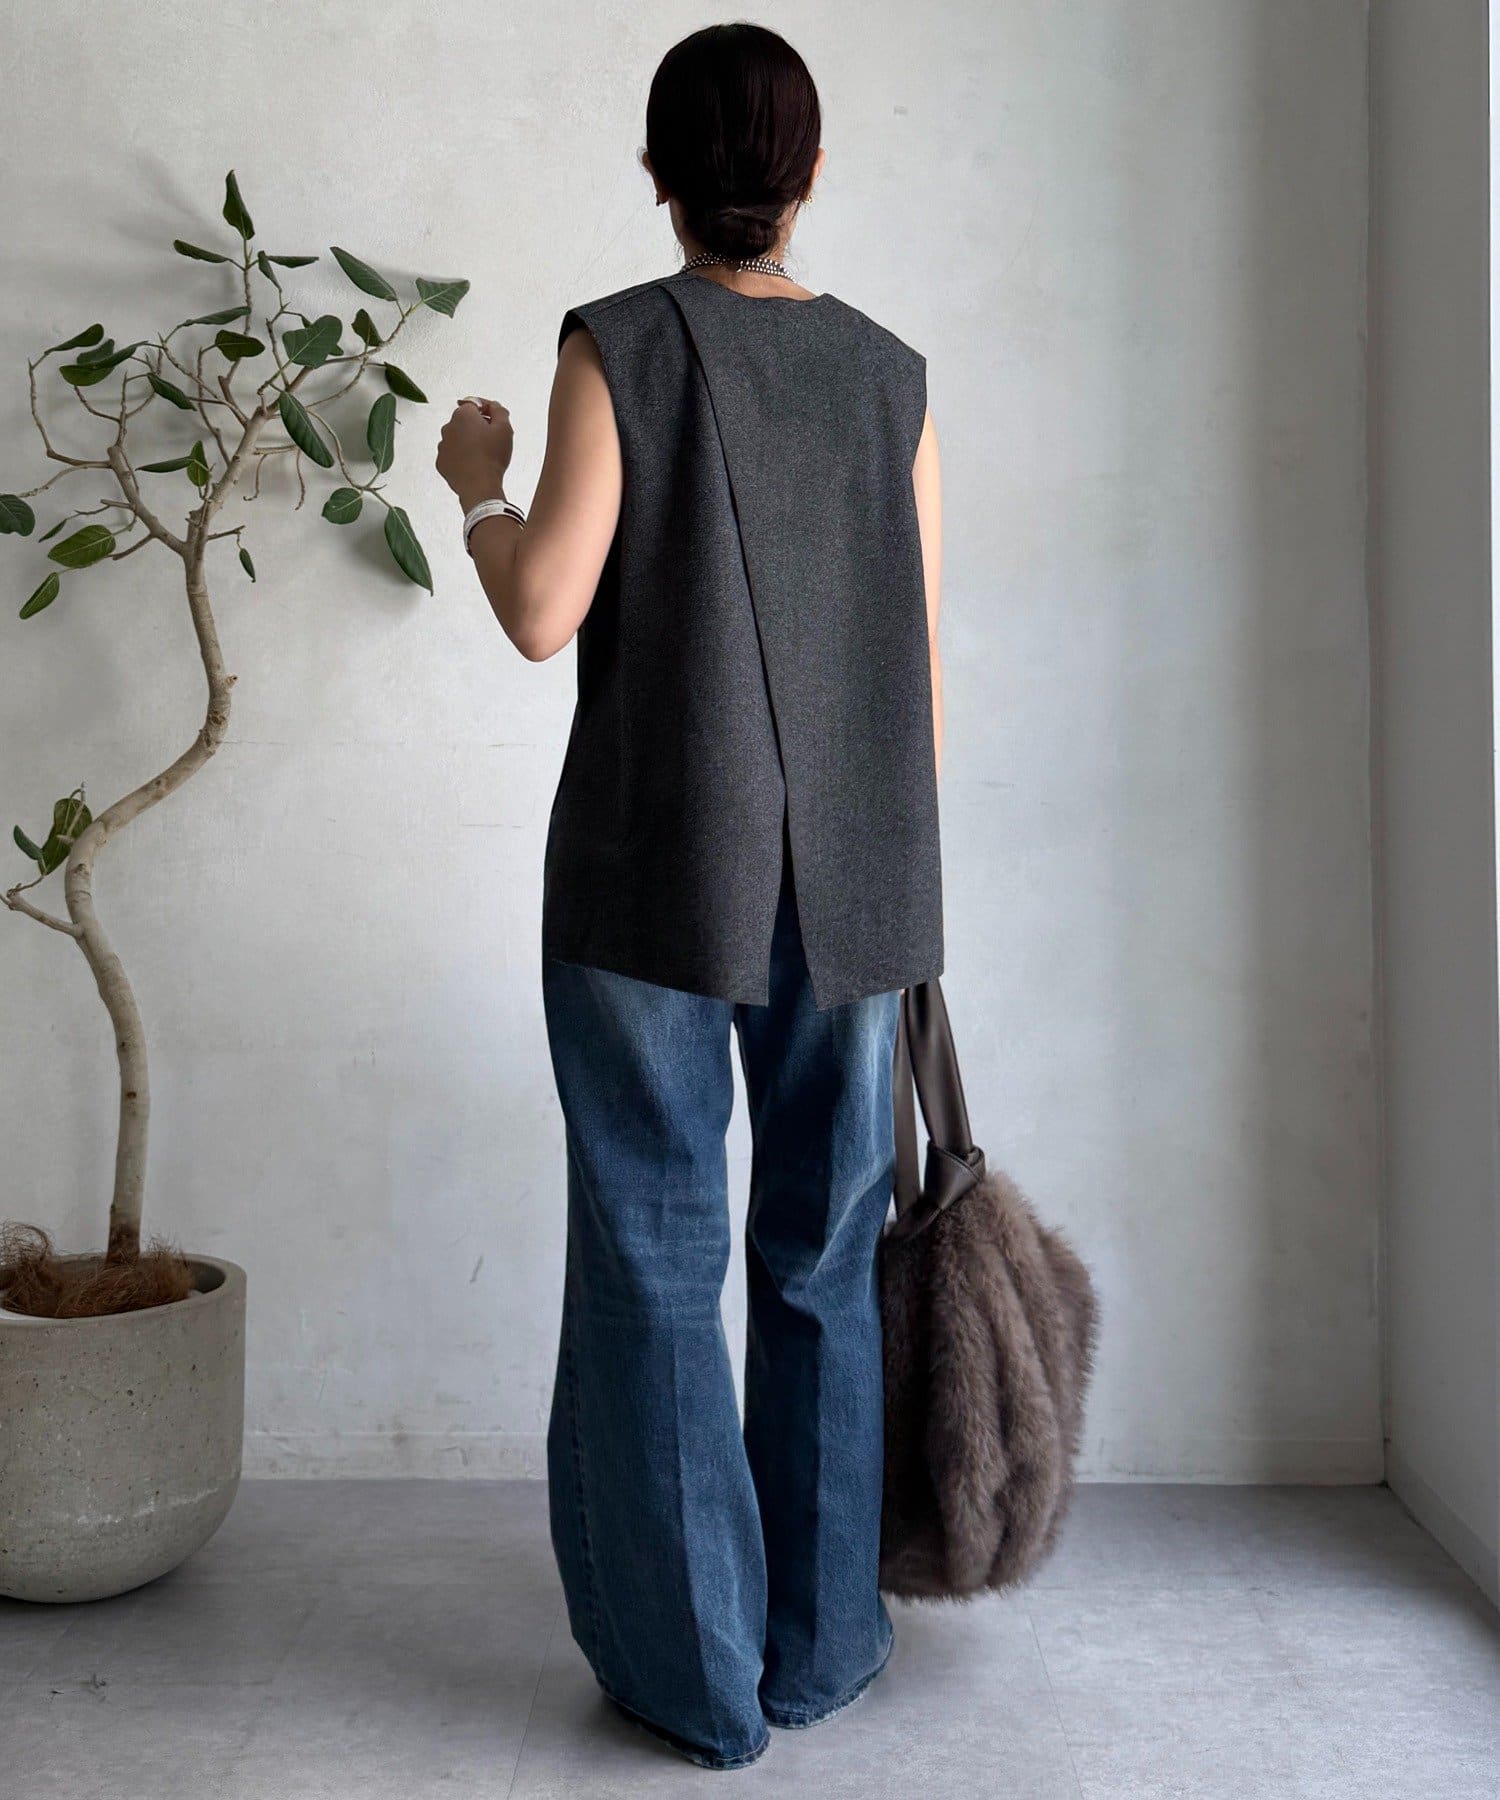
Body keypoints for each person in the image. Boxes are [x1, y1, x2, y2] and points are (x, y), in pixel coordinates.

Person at [435, 21, 944, 1772]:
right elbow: (912, 671)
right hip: (860, 874)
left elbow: (540, 610)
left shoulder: (620, 343)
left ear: (659, 174)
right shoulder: (890, 375)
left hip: (659, 866)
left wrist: (481, 492)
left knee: (657, 1247)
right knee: (822, 1254)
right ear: (810, 175)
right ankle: (822, 1648)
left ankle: (694, 1678)